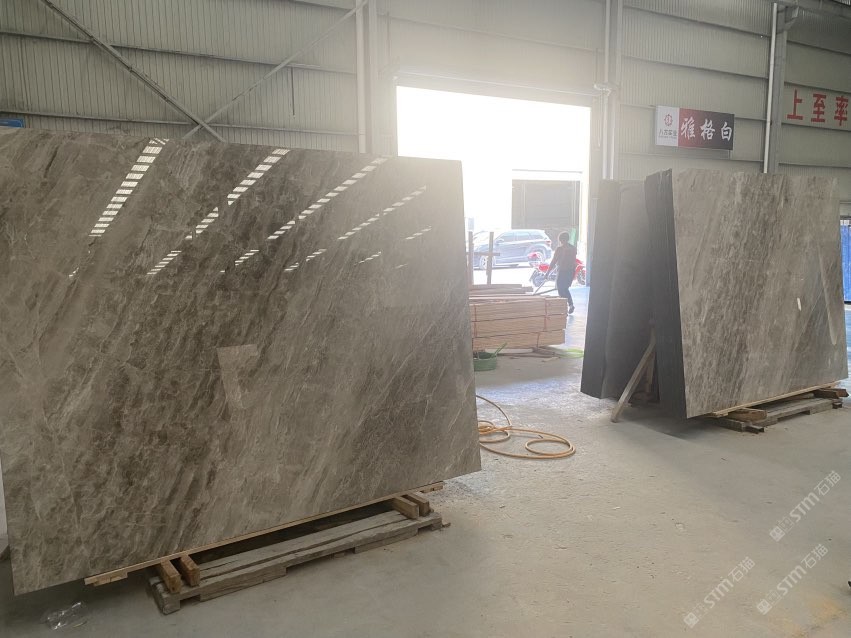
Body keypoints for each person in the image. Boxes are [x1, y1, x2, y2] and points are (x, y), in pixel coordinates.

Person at [550, 232, 577, 314]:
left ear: (560, 240)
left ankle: (563, 308)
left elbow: (553, 261)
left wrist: (547, 273)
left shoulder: (560, 249)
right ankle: (571, 305)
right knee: (565, 288)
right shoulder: (573, 248)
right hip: (571, 272)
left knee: (560, 289)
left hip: (562, 272)